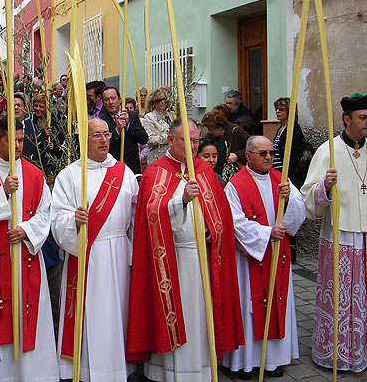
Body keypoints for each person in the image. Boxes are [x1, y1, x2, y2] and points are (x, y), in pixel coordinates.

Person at [127, 118, 244, 381]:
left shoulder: (203, 170)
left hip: (203, 258)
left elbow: (222, 218)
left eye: (196, 141)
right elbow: (149, 215)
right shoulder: (155, 172)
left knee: (200, 315)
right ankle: (167, 370)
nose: (192, 147)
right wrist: (180, 200)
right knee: (173, 311)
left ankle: (202, 368)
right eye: (186, 141)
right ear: (170, 140)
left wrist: (214, 233)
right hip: (171, 260)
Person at [0, 116, 59, 382]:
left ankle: (32, 374)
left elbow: (45, 212)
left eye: (21, 140)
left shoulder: (34, 173)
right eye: (12, 140)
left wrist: (27, 230)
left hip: (25, 254)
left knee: (27, 314)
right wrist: (2, 192)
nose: (18, 146)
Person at [51, 118, 139, 381]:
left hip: (120, 253)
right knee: (92, 314)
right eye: (96, 136)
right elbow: (56, 217)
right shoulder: (69, 175)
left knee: (118, 314)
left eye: (107, 134)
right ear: (83, 140)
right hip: (87, 255)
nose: (104, 140)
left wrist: (135, 254)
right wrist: (73, 221)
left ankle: (119, 368)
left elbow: (136, 219)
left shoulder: (124, 173)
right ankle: (90, 368)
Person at [222, 136, 305, 378]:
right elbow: (235, 223)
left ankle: (274, 360)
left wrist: (289, 199)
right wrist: (268, 233)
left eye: (271, 152)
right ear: (248, 156)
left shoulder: (282, 180)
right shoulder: (235, 185)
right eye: (262, 153)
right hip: (251, 257)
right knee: (250, 308)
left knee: (278, 305)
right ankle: (246, 363)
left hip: (278, 255)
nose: (269, 157)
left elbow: (299, 212)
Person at [301, 93, 367, 372]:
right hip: (340, 236)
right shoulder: (328, 151)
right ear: (346, 119)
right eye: (363, 118)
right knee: (339, 297)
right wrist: (325, 187)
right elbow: (307, 196)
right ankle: (335, 353)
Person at [98, 86, 148, 175]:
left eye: (113, 98)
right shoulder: (100, 121)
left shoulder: (132, 116)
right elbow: (102, 145)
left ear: (120, 99)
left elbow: (144, 138)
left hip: (132, 167)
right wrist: (117, 131)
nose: (110, 102)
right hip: (112, 168)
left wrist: (129, 125)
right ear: (103, 102)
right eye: (106, 100)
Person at [201, 109, 249, 179]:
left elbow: (253, 147)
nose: (209, 132)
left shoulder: (237, 132)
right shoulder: (210, 137)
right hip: (219, 174)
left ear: (220, 127)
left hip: (235, 175)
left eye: (211, 129)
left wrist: (237, 155)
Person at [272, 97, 306, 188]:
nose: (278, 112)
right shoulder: (282, 128)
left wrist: (286, 172)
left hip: (287, 174)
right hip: (278, 171)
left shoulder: (293, 128)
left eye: (281, 109)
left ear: (290, 111)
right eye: (276, 109)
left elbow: (295, 152)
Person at [142, 88, 174, 165]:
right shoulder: (149, 117)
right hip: (157, 156)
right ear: (153, 103)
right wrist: (168, 137)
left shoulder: (171, 115)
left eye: (164, 99)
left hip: (172, 155)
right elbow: (150, 139)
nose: (162, 102)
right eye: (158, 100)